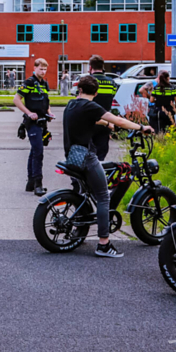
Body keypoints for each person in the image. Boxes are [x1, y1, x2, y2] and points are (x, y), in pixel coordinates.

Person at [64, 75, 153, 258]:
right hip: (86, 156)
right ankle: (104, 244)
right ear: (96, 93)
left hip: (72, 155)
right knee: (103, 196)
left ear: (79, 90)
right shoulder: (91, 106)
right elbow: (120, 120)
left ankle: (83, 224)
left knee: (100, 180)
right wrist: (141, 127)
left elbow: (92, 119)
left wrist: (107, 123)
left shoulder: (72, 104)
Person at [14, 58, 53, 196]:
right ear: (34, 68)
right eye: (40, 69)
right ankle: (38, 184)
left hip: (42, 122)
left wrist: (49, 112)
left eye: (45, 69)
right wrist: (29, 113)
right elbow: (16, 100)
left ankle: (30, 183)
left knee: (35, 151)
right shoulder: (29, 83)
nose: (43, 72)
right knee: (38, 152)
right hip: (32, 123)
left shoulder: (44, 84)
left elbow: (46, 101)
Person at [87, 55, 119, 161]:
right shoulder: (111, 83)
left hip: (89, 122)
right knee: (101, 152)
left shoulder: (87, 81)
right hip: (106, 120)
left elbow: (80, 98)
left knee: (88, 151)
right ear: (103, 67)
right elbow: (112, 96)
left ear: (90, 67)